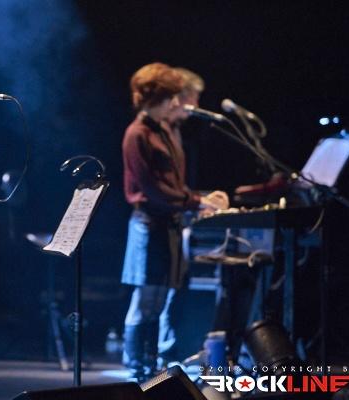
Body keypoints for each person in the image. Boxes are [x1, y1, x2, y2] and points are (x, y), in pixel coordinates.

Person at [121, 62, 228, 381]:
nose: (177, 103)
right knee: (146, 299)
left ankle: (150, 362)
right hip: (148, 224)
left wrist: (197, 198)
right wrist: (196, 201)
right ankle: (136, 364)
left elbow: (172, 183)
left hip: (166, 223)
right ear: (161, 99)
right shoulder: (137, 134)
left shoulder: (163, 129)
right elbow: (151, 188)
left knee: (158, 300)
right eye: (173, 97)